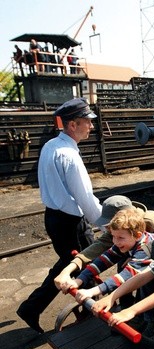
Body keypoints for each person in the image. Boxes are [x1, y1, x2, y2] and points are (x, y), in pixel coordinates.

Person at [16, 98, 102, 334]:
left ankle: (32, 309)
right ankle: (91, 311)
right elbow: (85, 199)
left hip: (54, 217)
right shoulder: (70, 156)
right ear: (72, 125)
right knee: (88, 263)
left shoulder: (50, 146)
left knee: (68, 264)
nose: (91, 127)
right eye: (87, 122)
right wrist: (107, 225)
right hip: (71, 222)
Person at [54, 195, 154, 292]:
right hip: (135, 250)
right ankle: (126, 301)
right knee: (121, 261)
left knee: (149, 283)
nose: (113, 237)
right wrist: (67, 270)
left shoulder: (150, 222)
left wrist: (140, 258)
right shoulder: (119, 230)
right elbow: (99, 247)